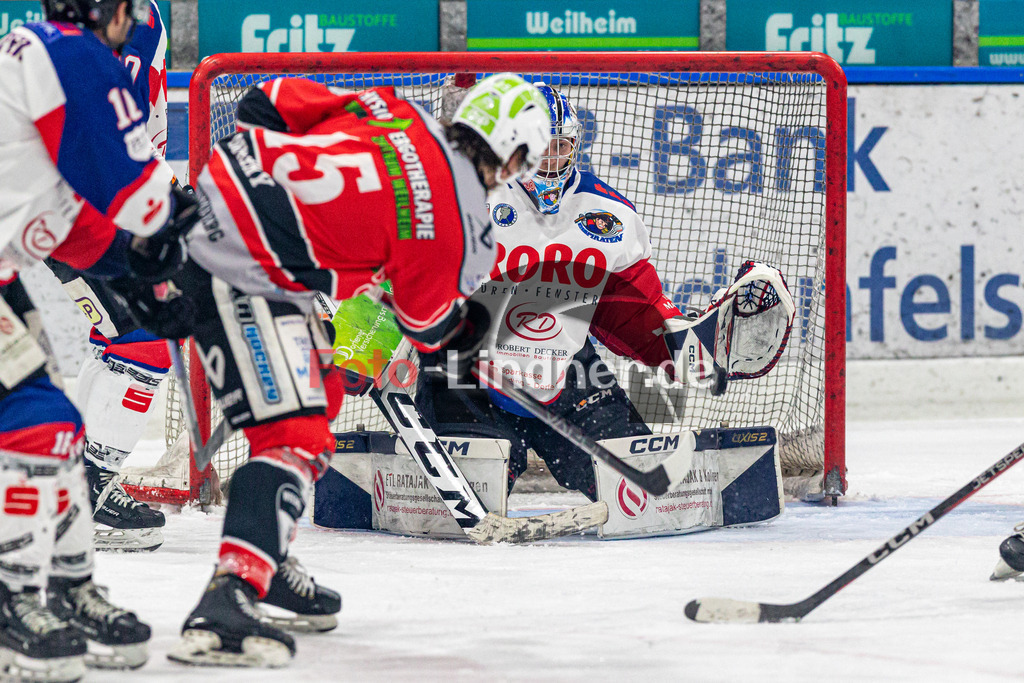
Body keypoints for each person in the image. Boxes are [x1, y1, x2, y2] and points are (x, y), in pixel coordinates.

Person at [149, 73, 551, 667]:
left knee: (322, 390)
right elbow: (426, 327)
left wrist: (280, 208)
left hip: (198, 217)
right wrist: (463, 333)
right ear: (514, 155)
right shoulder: (461, 226)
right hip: (235, 270)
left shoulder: (396, 110)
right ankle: (227, 601)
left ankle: (268, 553)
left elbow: (266, 101)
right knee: (297, 435)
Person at [415, 84, 797, 503]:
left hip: (569, 372)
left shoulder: (609, 214)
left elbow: (633, 315)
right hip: (464, 377)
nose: (548, 160)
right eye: (537, 147)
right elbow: (400, 277)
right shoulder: (463, 195)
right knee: (461, 502)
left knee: (648, 496)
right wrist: (362, 346)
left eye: (558, 146)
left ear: (575, 146)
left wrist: (687, 350)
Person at [0, 0, 195, 674]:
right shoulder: (77, 55)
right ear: (111, 13)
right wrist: (174, 239)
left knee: (55, 422)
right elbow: (140, 195)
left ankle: (65, 583)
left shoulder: (42, 50)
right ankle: (15, 597)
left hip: (7, 271)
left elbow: (76, 219)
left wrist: (135, 265)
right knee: (38, 422)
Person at [44, 0, 171, 553]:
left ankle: (80, 484)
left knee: (115, 340)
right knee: (146, 345)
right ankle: (89, 498)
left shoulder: (132, 19)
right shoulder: (109, 26)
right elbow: (108, 129)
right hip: (83, 210)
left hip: (71, 208)